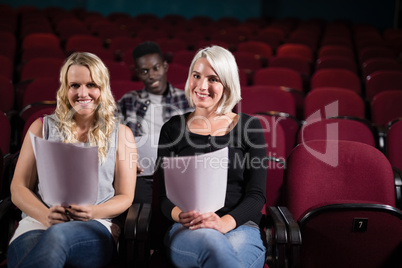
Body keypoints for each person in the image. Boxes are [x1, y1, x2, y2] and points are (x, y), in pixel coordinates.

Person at [7, 52, 137, 268]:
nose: (82, 93)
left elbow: (125, 196)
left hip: (94, 223)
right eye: (75, 85)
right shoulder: (41, 127)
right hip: (39, 221)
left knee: (57, 237)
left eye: (91, 85)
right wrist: (46, 215)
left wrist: (93, 212)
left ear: (102, 89)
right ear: (65, 89)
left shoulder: (122, 134)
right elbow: (18, 188)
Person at [156, 45, 267, 267]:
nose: (201, 86)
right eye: (196, 76)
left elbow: (256, 195)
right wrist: (180, 215)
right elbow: (162, 197)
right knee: (216, 252)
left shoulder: (250, 127)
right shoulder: (173, 128)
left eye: (213, 79)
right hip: (189, 227)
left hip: (240, 226)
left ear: (227, 84)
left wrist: (224, 223)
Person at [117, 41, 192, 204]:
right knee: (134, 200)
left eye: (155, 68)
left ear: (165, 66)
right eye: (144, 71)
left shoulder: (186, 101)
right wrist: (125, 158)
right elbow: (112, 136)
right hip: (139, 175)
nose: (151, 76)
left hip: (178, 173)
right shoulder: (129, 101)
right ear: (137, 72)